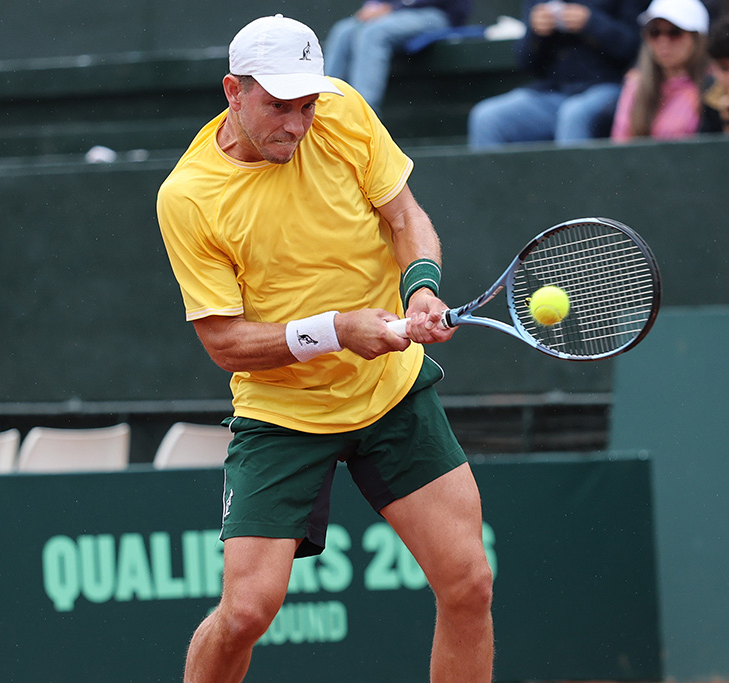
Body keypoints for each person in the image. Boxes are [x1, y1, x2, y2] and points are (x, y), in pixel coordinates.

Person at [155, 14, 494, 683]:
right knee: (245, 613)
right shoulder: (189, 196)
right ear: (233, 91)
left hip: (390, 394)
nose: (298, 124)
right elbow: (224, 342)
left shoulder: (341, 110)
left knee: (468, 582)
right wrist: (337, 330)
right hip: (283, 414)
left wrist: (421, 288)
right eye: (279, 107)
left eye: (307, 105)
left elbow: (405, 216)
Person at [468, 0, 651, 148]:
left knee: (574, 114)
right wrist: (535, 32)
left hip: (610, 87)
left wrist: (592, 23)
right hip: (553, 92)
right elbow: (526, 63)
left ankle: (574, 186)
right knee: (487, 117)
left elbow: (639, 48)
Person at [323, 0, 472, 113]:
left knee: (373, 33)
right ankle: (324, 104)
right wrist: (373, 6)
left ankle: (363, 115)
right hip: (394, 13)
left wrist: (394, 7)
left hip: (435, 13)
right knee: (342, 30)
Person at [611, 0, 710, 142]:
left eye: (675, 32)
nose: (663, 41)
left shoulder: (713, 84)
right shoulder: (635, 85)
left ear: (697, 38)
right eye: (654, 32)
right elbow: (620, 143)